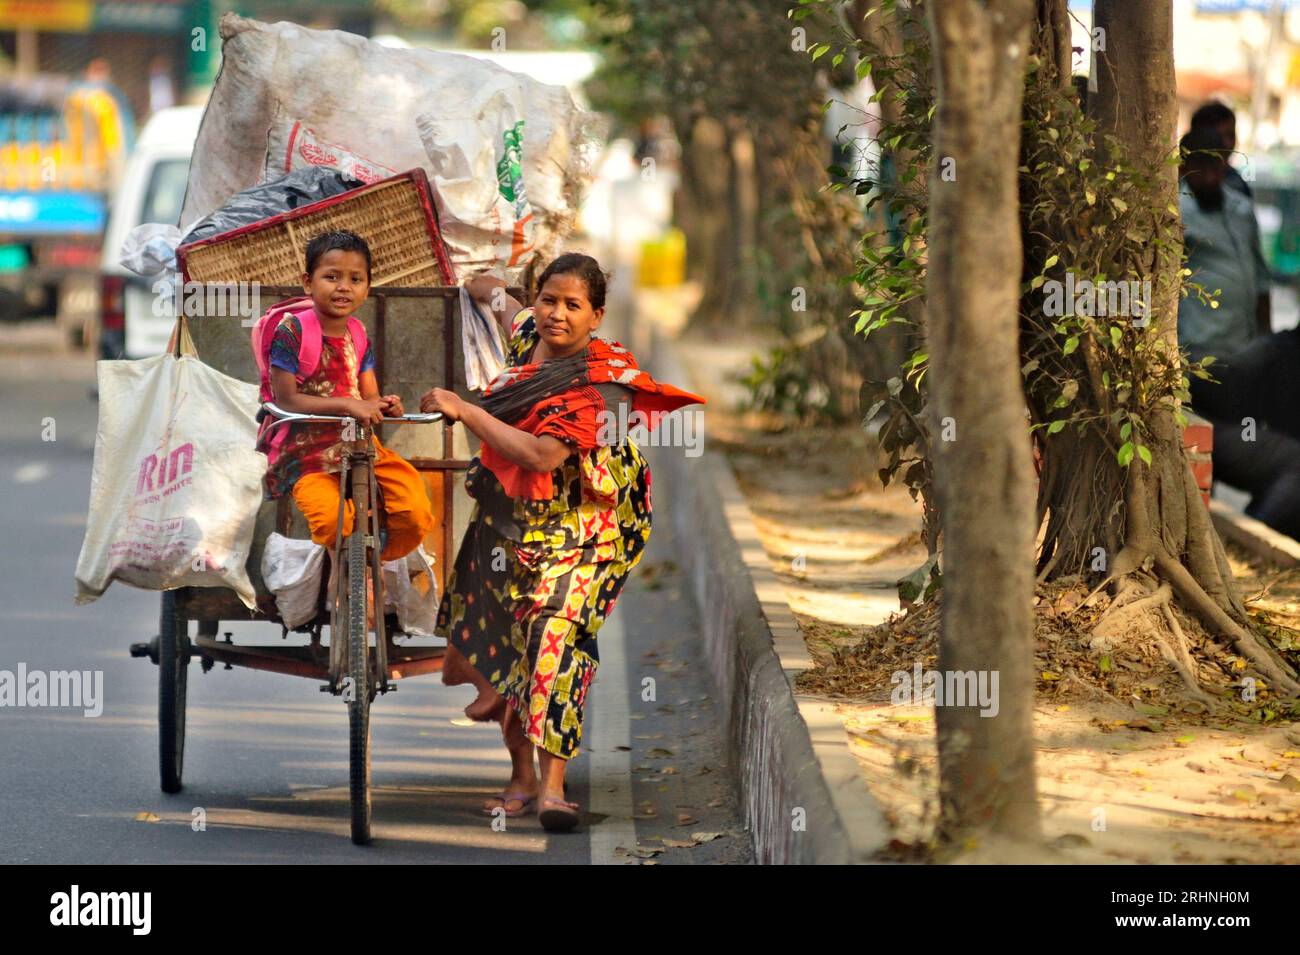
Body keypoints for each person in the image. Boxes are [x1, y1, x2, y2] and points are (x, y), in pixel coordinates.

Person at [419, 253, 704, 831]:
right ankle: (521, 776)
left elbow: (539, 455)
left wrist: (465, 409)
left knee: (553, 640)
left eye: (573, 306)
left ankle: (552, 787)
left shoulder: (609, 385)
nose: (556, 314)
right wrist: (468, 274)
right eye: (549, 299)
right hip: (517, 528)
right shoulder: (530, 336)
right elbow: (496, 298)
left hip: (593, 536)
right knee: (513, 644)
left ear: (596, 316)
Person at [256, 230, 434, 562]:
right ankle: (342, 569)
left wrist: (384, 404)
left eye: (355, 279)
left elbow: (368, 393)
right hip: (309, 456)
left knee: (413, 509)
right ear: (308, 283)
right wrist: (348, 405)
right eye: (332, 277)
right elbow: (286, 401)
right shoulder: (291, 331)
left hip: (361, 447)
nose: (343, 287)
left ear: (367, 287)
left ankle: (368, 566)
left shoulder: (358, 332)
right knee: (330, 521)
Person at [1179, 130, 1300, 538]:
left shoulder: (1238, 208)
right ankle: (1253, 535)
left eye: (1220, 166)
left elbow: (1260, 282)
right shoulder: (1174, 213)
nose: (1212, 177)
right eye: (1203, 167)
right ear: (1184, 166)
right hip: (1198, 380)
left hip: (1238, 363)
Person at [1189, 100, 1252, 199]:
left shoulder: (1236, 182)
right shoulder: (1181, 182)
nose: (1227, 143)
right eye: (1219, 136)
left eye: (1231, 135)